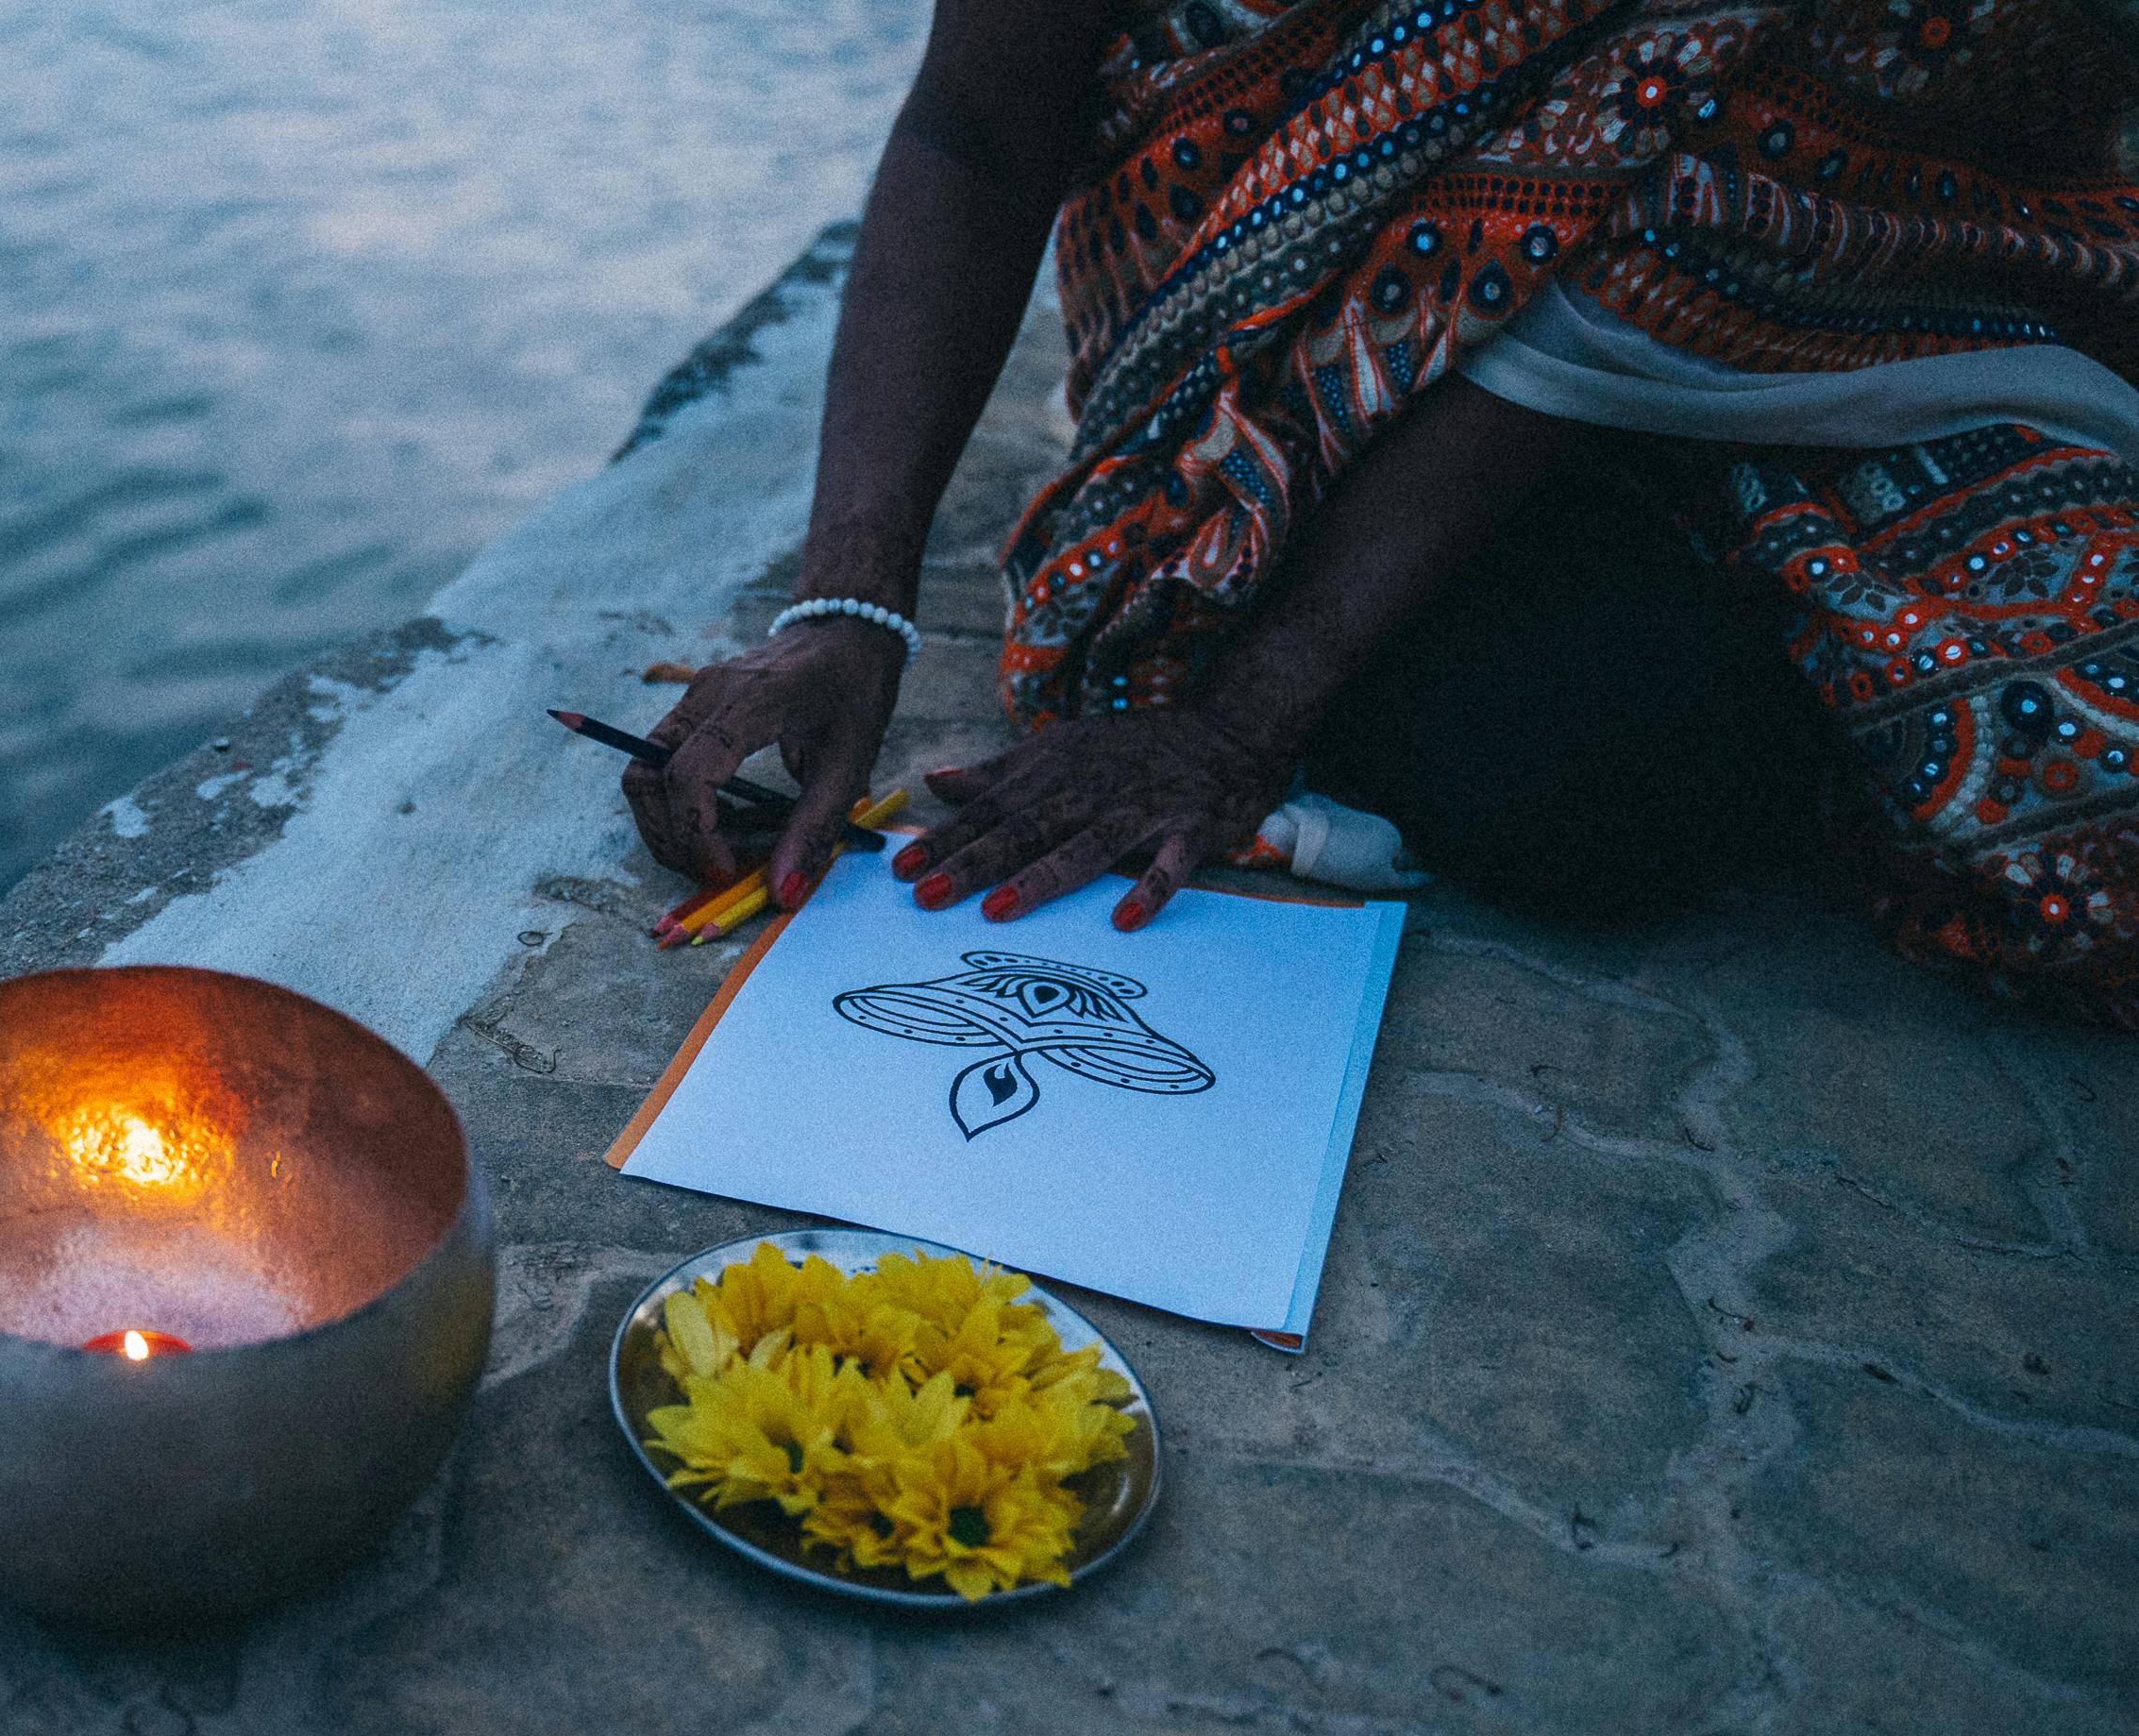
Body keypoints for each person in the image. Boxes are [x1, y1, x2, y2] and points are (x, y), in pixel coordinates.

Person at [622, 0, 2139, 1028]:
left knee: (2084, 768)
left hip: (1843, 289)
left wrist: (1238, 726)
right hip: (1296, 385)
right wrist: (848, 604)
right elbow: (974, 129)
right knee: (1594, 782)